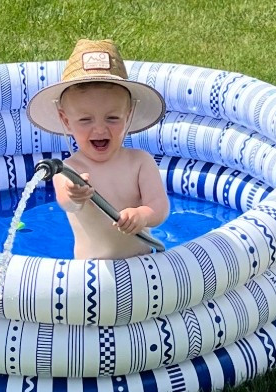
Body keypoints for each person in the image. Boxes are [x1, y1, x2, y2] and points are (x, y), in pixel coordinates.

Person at [26, 40, 170, 257]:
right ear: (66, 121)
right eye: (85, 120)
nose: (100, 129)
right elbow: (67, 203)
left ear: (128, 115)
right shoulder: (67, 169)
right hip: (89, 275)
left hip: (142, 268)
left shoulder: (140, 162)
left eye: (112, 118)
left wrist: (143, 215)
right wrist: (75, 196)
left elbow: (160, 206)